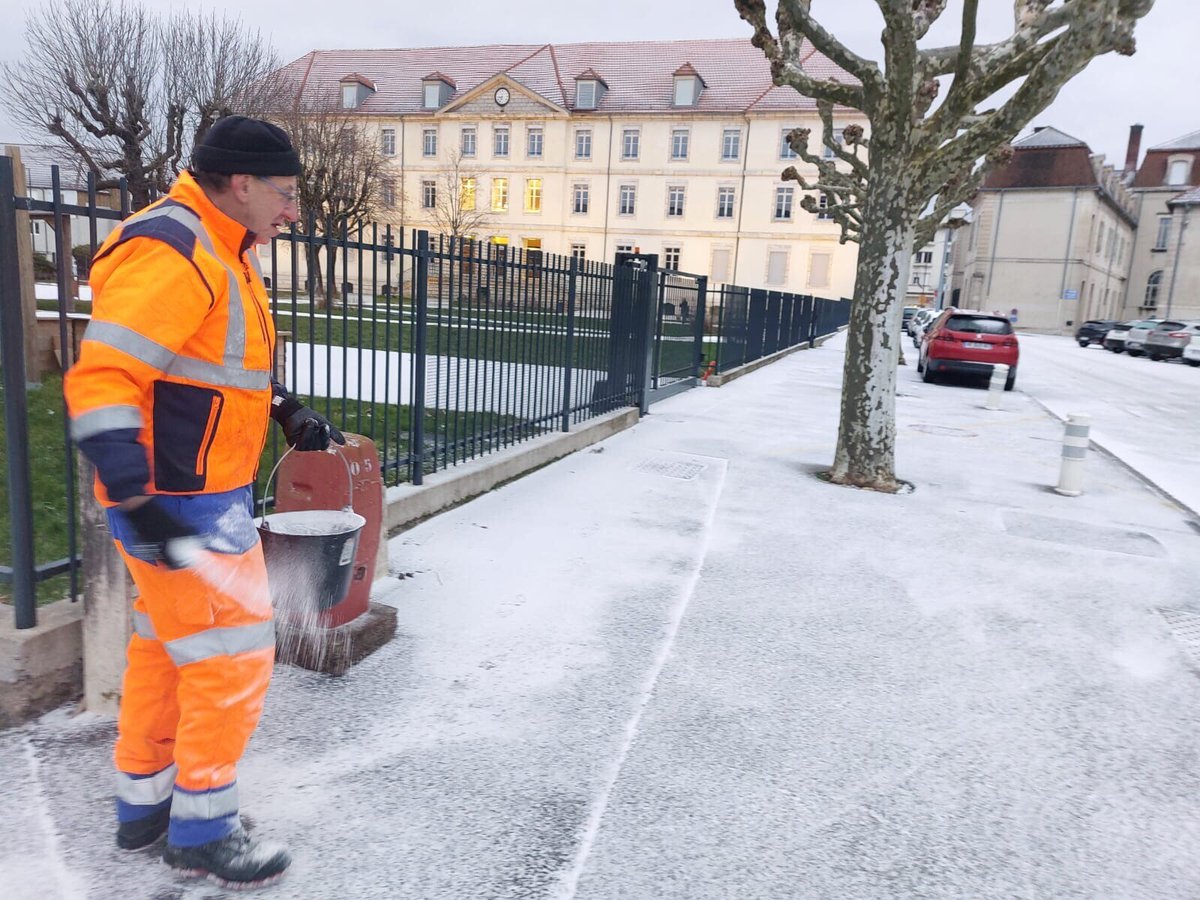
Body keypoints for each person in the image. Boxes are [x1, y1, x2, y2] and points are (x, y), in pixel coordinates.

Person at [64, 116, 343, 888]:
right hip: (180, 501)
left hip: (187, 493)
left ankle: (145, 808)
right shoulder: (176, 248)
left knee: (166, 649)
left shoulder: (222, 246)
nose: (294, 210)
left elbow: (211, 362)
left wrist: (285, 408)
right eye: (285, 194)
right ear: (243, 183)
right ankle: (203, 827)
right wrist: (133, 491)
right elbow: (104, 376)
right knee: (232, 660)